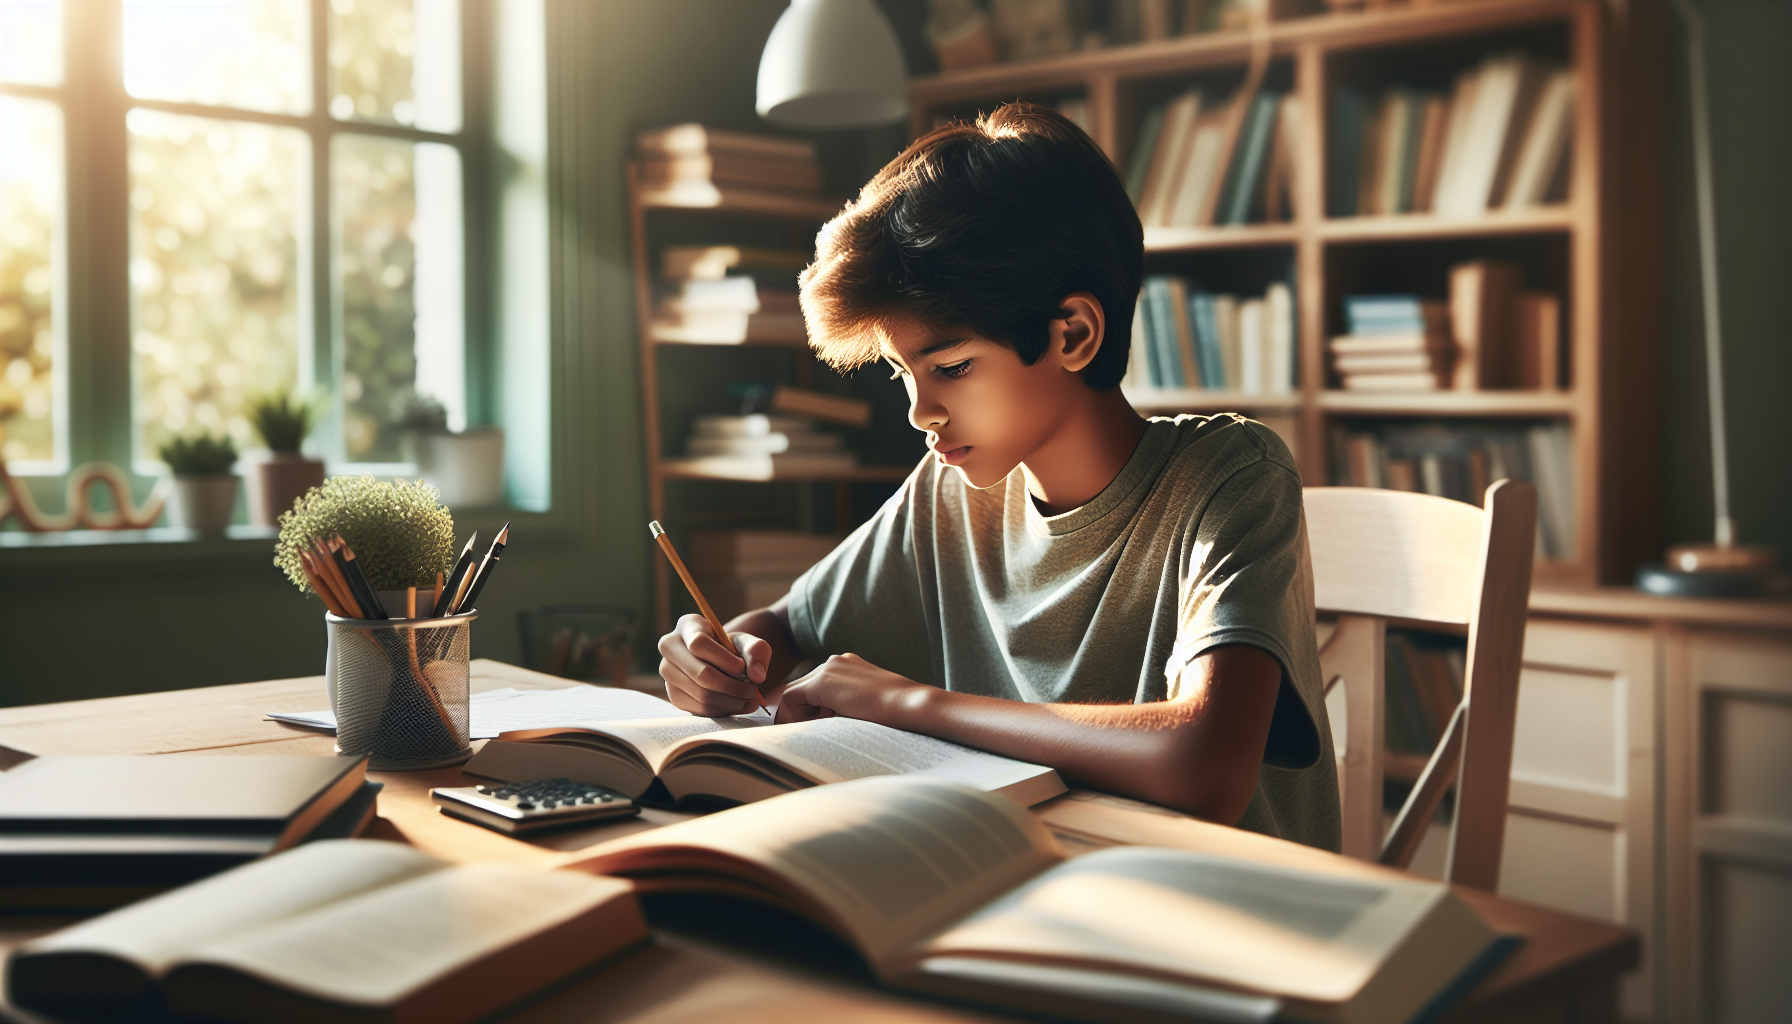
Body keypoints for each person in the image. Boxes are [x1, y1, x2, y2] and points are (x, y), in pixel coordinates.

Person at [658, 103, 1340, 850]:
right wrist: (718, 653)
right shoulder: (951, 491)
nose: (921, 412)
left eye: (950, 368)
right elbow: (790, 628)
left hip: (1235, 917)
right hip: (1043, 879)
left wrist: (907, 703)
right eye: (903, 373)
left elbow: (1203, 764)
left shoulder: (1231, 476)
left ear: (1073, 334)